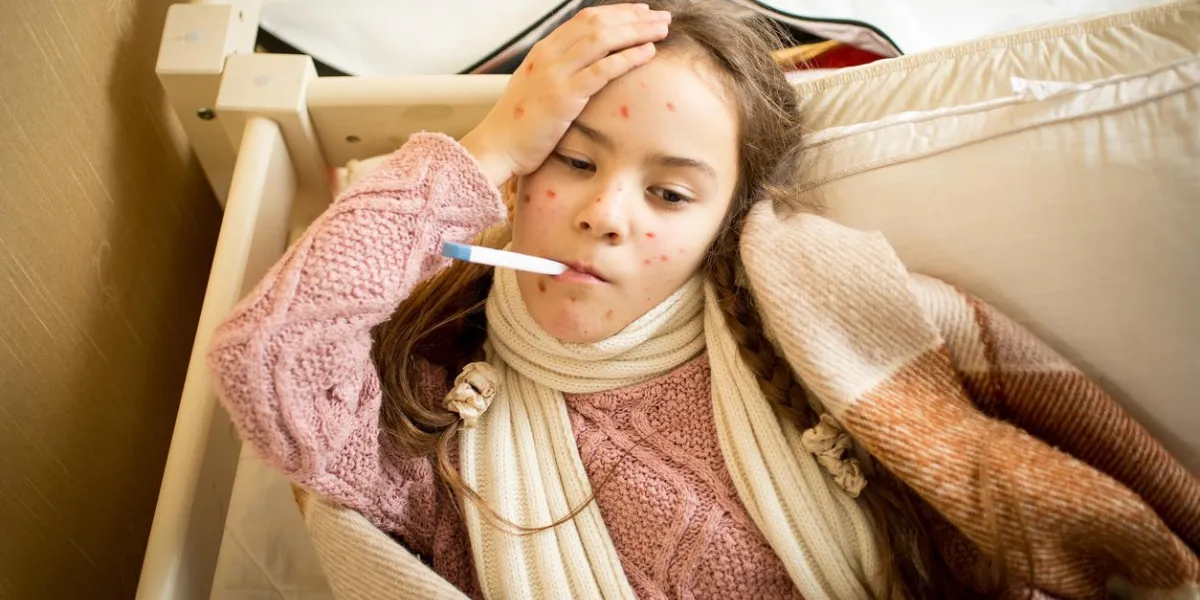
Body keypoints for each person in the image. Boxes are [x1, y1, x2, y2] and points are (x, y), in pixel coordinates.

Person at [207, 1, 1200, 599]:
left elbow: (1045, 506)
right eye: (570, 159)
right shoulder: (429, 430)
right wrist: (489, 144)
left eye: (671, 193)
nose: (605, 213)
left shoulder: (822, 342)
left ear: (723, 227)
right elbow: (267, 359)